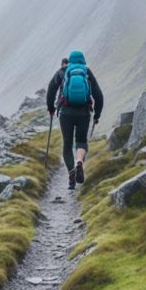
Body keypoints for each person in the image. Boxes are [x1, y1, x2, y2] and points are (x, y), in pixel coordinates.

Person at [46, 51, 104, 189]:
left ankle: (71, 173)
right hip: (84, 112)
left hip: (65, 112)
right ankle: (79, 161)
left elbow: (51, 89)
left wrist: (51, 108)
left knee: (67, 144)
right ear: (83, 60)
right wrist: (97, 115)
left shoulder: (62, 72)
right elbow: (98, 95)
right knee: (81, 141)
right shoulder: (86, 72)